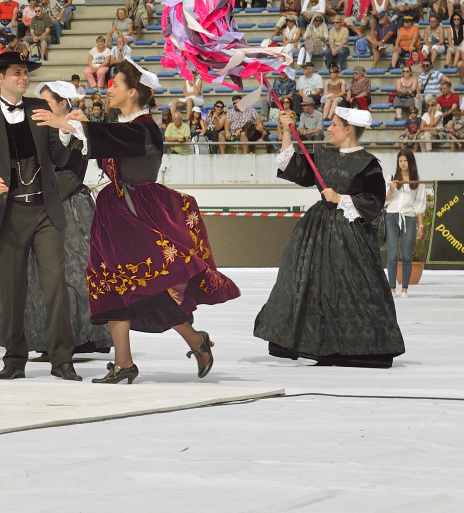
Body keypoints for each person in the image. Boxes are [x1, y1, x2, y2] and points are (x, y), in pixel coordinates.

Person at [44, 59, 240, 384]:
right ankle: (125, 362)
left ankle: (194, 340)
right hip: (112, 214)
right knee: (110, 282)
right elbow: (83, 151)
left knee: (152, 283)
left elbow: (124, 139)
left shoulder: (146, 127)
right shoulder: (116, 125)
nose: (109, 89)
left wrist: (80, 126)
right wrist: (69, 129)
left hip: (139, 212)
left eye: (115, 84)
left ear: (132, 92)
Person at [0, 52, 82, 382]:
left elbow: (58, 159)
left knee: (55, 285)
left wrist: (64, 132)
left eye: (25, 72)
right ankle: (14, 359)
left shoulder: (39, 110)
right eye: (17, 72)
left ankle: (62, 360)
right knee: (12, 289)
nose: (24, 77)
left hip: (45, 209)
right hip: (7, 213)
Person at [255, 106, 405, 367]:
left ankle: (360, 348)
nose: (329, 128)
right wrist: (287, 132)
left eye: (334, 124)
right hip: (315, 232)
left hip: (350, 236)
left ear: (348, 129)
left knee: (352, 286)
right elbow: (294, 167)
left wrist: (341, 198)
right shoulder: (322, 155)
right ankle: (298, 341)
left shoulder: (367, 164)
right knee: (303, 281)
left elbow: (375, 200)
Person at [384, 149, 428, 298]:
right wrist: (391, 188)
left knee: (407, 254)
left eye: (405, 160)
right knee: (393, 254)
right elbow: (385, 200)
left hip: (408, 218)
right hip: (391, 217)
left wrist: (420, 225)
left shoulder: (417, 180)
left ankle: (404, 289)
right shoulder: (391, 178)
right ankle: (391, 288)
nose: (402, 163)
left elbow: (420, 204)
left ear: (410, 162)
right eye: (400, 161)